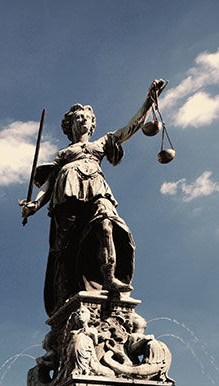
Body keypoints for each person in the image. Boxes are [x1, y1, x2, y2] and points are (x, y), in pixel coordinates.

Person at [21, 80, 167, 317]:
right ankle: (64, 298)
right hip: (65, 193)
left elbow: (131, 127)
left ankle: (109, 278)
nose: (82, 120)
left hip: (96, 188)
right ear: (70, 126)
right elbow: (49, 182)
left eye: (85, 117)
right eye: (77, 117)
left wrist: (149, 101)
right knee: (64, 248)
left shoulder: (101, 144)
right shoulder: (64, 153)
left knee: (107, 221)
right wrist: (35, 204)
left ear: (92, 124)